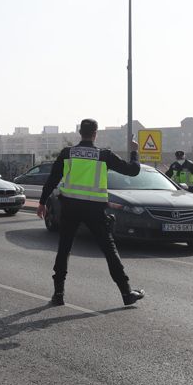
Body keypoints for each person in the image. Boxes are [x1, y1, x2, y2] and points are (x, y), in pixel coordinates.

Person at [37, 119, 146, 307]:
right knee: (109, 250)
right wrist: (134, 151)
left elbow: (53, 179)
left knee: (64, 249)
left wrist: (42, 202)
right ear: (95, 133)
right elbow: (133, 171)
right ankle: (126, 293)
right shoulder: (103, 155)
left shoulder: (67, 153)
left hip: (70, 207)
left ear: (80, 132)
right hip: (95, 209)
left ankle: (58, 295)